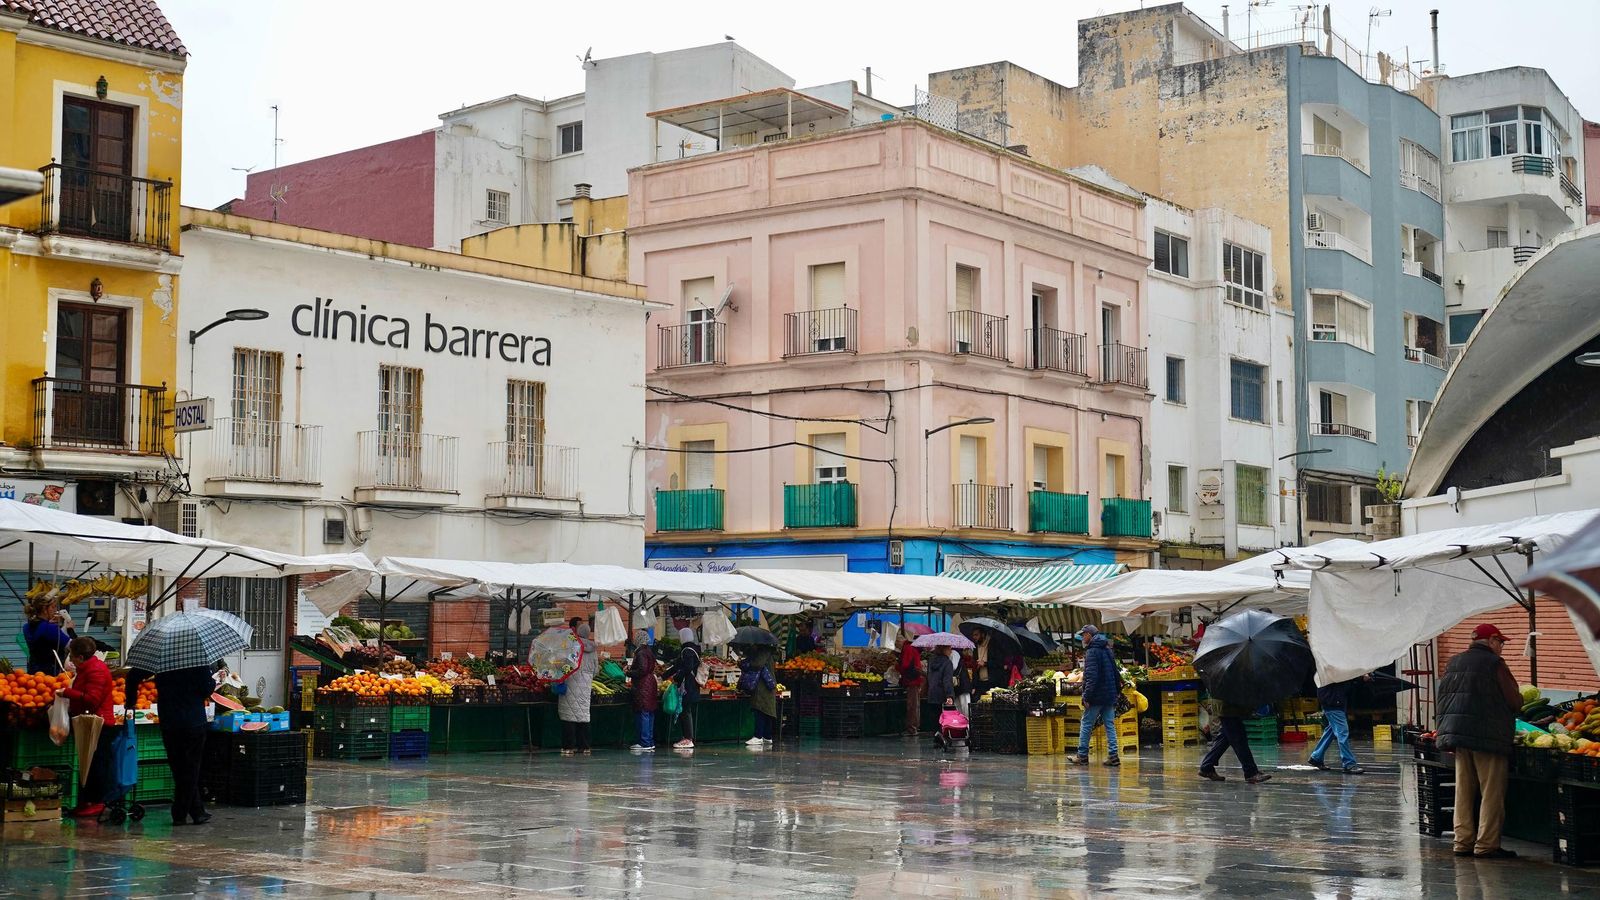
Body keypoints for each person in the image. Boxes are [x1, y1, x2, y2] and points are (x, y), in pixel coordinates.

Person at [1436, 622, 1523, 860]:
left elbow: (1442, 700)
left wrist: (1446, 733)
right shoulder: (1494, 664)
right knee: (1491, 792)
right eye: (1501, 642)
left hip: (1459, 737)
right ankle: (1486, 845)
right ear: (1492, 641)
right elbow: (1514, 700)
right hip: (1488, 737)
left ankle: (1462, 842)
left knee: (1463, 791)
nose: (1502, 647)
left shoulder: (1454, 662)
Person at [126, 662, 215, 825]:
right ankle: (179, 813)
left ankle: (197, 811)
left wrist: (130, 701)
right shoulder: (197, 660)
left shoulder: (162, 658)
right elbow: (206, 689)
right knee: (191, 768)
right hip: (193, 720)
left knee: (179, 766)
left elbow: (132, 676)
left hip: (169, 719)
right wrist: (213, 680)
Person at [57, 637, 115, 818]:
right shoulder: (86, 668)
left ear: (81, 657)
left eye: (72, 656)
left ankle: (97, 802)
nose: (71, 659)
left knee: (96, 764)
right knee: (87, 764)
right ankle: (87, 801)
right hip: (87, 722)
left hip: (99, 723)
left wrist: (67, 693)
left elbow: (93, 698)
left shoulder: (96, 670)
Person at [1072, 625, 1122, 767]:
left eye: (1083, 635)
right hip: (1109, 694)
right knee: (1110, 725)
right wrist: (1117, 691)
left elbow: (1091, 677)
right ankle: (1113, 756)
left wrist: (1086, 697)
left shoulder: (1092, 651)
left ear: (1089, 635)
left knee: (1087, 723)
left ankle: (1082, 755)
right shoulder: (1107, 649)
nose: (1082, 638)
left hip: (1097, 695)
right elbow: (1115, 672)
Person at [1198, 699, 1272, 785]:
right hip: (1228, 707)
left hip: (1228, 707)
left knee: (1225, 737)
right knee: (1239, 738)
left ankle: (1206, 767)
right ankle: (1251, 772)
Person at [1308, 674, 1371, 774]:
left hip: (1333, 702)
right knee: (1342, 733)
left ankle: (1316, 757)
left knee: (1331, 731)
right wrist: (1360, 676)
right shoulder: (1331, 665)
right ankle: (1349, 763)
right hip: (1333, 703)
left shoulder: (1325, 665)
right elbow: (1341, 673)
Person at [558, 624, 599, 756]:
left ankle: (568, 747)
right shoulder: (593, 650)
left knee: (569, 716)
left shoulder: (572, 646)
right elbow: (596, 670)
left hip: (571, 682)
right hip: (586, 685)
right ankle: (585, 747)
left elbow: (565, 665)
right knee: (583, 716)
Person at [23, 598, 76, 677]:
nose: (56, 610)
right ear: (45, 609)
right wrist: (70, 629)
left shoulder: (26, 626)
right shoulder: (50, 628)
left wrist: (49, 624)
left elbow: (43, 637)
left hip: (33, 671)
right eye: (53, 607)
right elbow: (73, 646)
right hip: (50, 673)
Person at [670, 627, 703, 750]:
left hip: (688, 686)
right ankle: (686, 737)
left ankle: (688, 739)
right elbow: (677, 665)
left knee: (686, 711)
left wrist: (677, 677)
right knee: (685, 711)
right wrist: (663, 676)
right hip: (691, 686)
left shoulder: (687, 651)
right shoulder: (691, 649)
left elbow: (687, 667)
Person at [741, 644, 777, 747]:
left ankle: (758, 736)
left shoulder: (763, 652)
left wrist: (746, 663)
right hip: (766, 685)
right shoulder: (766, 651)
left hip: (764, 686)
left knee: (760, 710)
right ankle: (767, 736)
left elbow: (758, 664)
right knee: (767, 711)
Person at [628, 629, 659, 752]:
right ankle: (649, 741)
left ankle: (645, 742)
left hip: (643, 686)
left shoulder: (641, 653)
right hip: (650, 684)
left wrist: (629, 672)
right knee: (649, 713)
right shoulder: (649, 651)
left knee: (644, 713)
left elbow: (642, 669)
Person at [898, 634, 925, 736]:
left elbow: (905, 665)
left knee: (912, 705)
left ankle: (912, 728)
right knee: (914, 705)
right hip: (914, 680)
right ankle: (914, 727)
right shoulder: (912, 648)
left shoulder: (907, 648)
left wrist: (897, 666)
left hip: (912, 680)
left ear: (901, 642)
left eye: (897, 643)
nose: (897, 645)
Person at [926, 641, 954, 713]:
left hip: (931, 694)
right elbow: (947, 680)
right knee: (943, 720)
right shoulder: (947, 663)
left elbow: (929, 677)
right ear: (944, 649)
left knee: (933, 719)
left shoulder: (931, 661)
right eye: (949, 649)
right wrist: (949, 696)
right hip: (942, 695)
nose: (951, 651)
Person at [950, 648, 973, 716]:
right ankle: (962, 724)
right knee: (959, 707)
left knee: (965, 706)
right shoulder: (953, 653)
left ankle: (968, 724)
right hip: (958, 685)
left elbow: (953, 666)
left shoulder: (954, 653)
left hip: (962, 684)